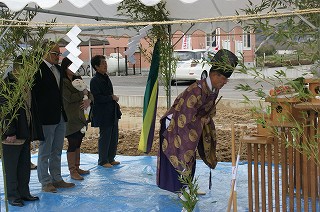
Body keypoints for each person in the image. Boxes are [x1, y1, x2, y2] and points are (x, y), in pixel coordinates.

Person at [157, 49, 238, 193]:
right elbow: (185, 116)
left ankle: (187, 187)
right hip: (176, 124)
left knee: (190, 154)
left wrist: (206, 118)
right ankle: (181, 190)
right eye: (223, 79)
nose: (225, 82)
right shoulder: (195, 91)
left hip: (192, 124)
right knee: (181, 154)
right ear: (214, 74)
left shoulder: (214, 89)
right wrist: (203, 120)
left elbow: (208, 110)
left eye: (227, 79)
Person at [32, 41, 75, 193]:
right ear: (44, 53)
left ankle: (57, 178)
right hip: (46, 117)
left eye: (59, 53)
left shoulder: (57, 69)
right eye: (55, 53)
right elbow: (34, 95)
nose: (58, 56)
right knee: (45, 151)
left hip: (60, 115)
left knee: (57, 150)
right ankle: (45, 182)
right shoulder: (37, 69)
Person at [1, 55, 43, 207]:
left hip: (25, 131)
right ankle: (12, 196)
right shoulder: (8, 84)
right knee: (12, 166)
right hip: (13, 133)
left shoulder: (26, 83)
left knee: (24, 165)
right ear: (19, 68)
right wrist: (9, 132)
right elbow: (6, 110)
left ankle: (24, 192)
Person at [61, 57, 92, 180]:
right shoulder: (63, 82)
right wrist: (83, 94)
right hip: (71, 118)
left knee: (78, 141)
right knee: (72, 142)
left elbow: (89, 93)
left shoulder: (77, 79)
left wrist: (88, 99)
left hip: (81, 117)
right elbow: (69, 97)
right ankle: (72, 170)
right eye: (71, 66)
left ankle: (77, 167)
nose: (73, 69)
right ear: (65, 67)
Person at [90, 55, 122, 168]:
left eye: (105, 63)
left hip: (112, 111)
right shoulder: (95, 80)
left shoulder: (106, 77)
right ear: (96, 67)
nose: (105, 65)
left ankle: (111, 158)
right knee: (105, 136)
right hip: (103, 113)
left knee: (114, 136)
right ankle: (103, 160)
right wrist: (111, 98)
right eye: (102, 63)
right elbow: (97, 98)